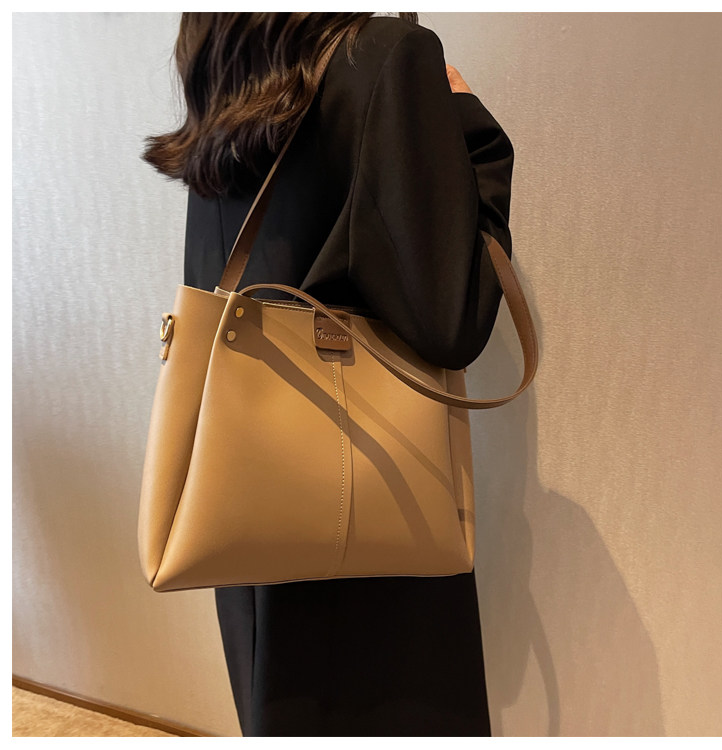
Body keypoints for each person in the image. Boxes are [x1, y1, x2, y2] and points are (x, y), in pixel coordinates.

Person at [142, 11, 514, 737]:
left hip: (242, 485)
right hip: (372, 492)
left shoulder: (226, 58)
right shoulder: (386, 55)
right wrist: (475, 133)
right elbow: (453, 319)